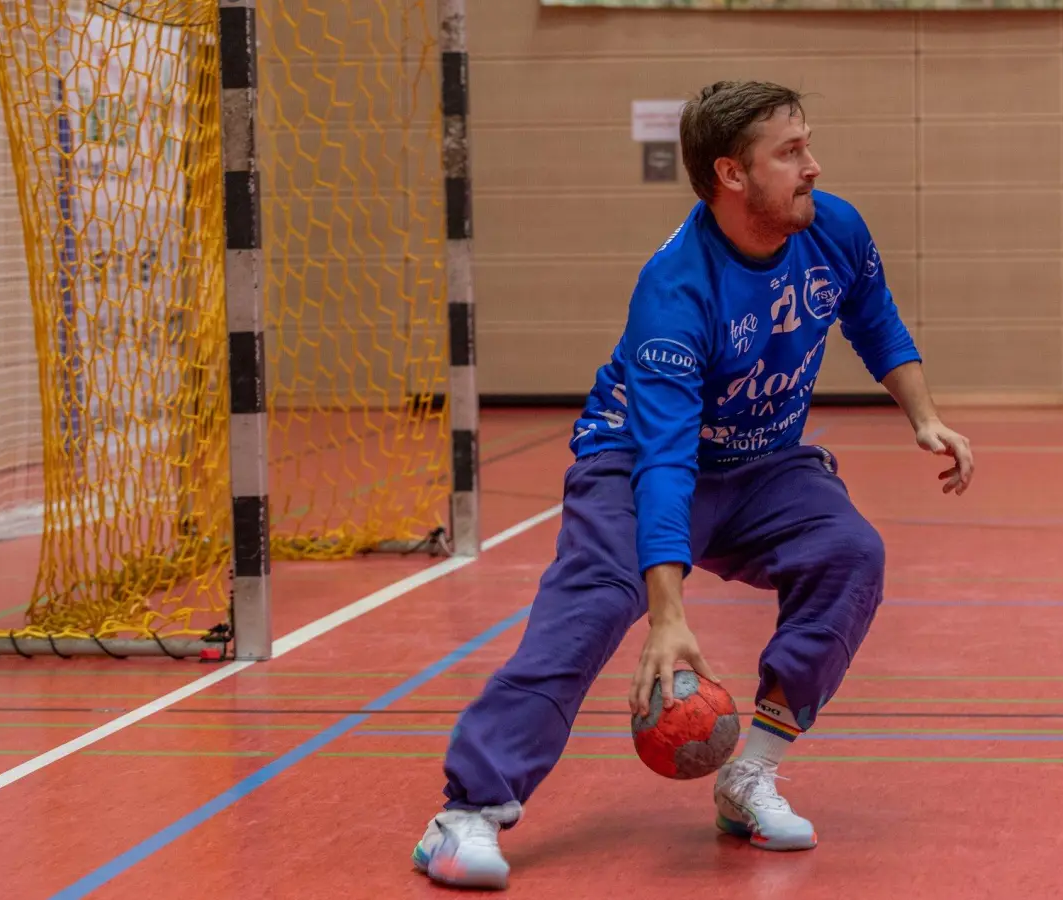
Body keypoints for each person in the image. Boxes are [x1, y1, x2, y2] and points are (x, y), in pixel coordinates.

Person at [411, 80, 974, 890]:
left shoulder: (834, 229)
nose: (813, 166)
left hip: (765, 463)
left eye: (808, 144)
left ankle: (750, 776)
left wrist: (923, 416)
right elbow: (665, 457)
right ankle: (466, 812)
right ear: (731, 175)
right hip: (636, 458)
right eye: (790, 152)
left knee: (849, 553)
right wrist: (666, 615)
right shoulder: (676, 291)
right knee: (597, 606)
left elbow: (873, 314)